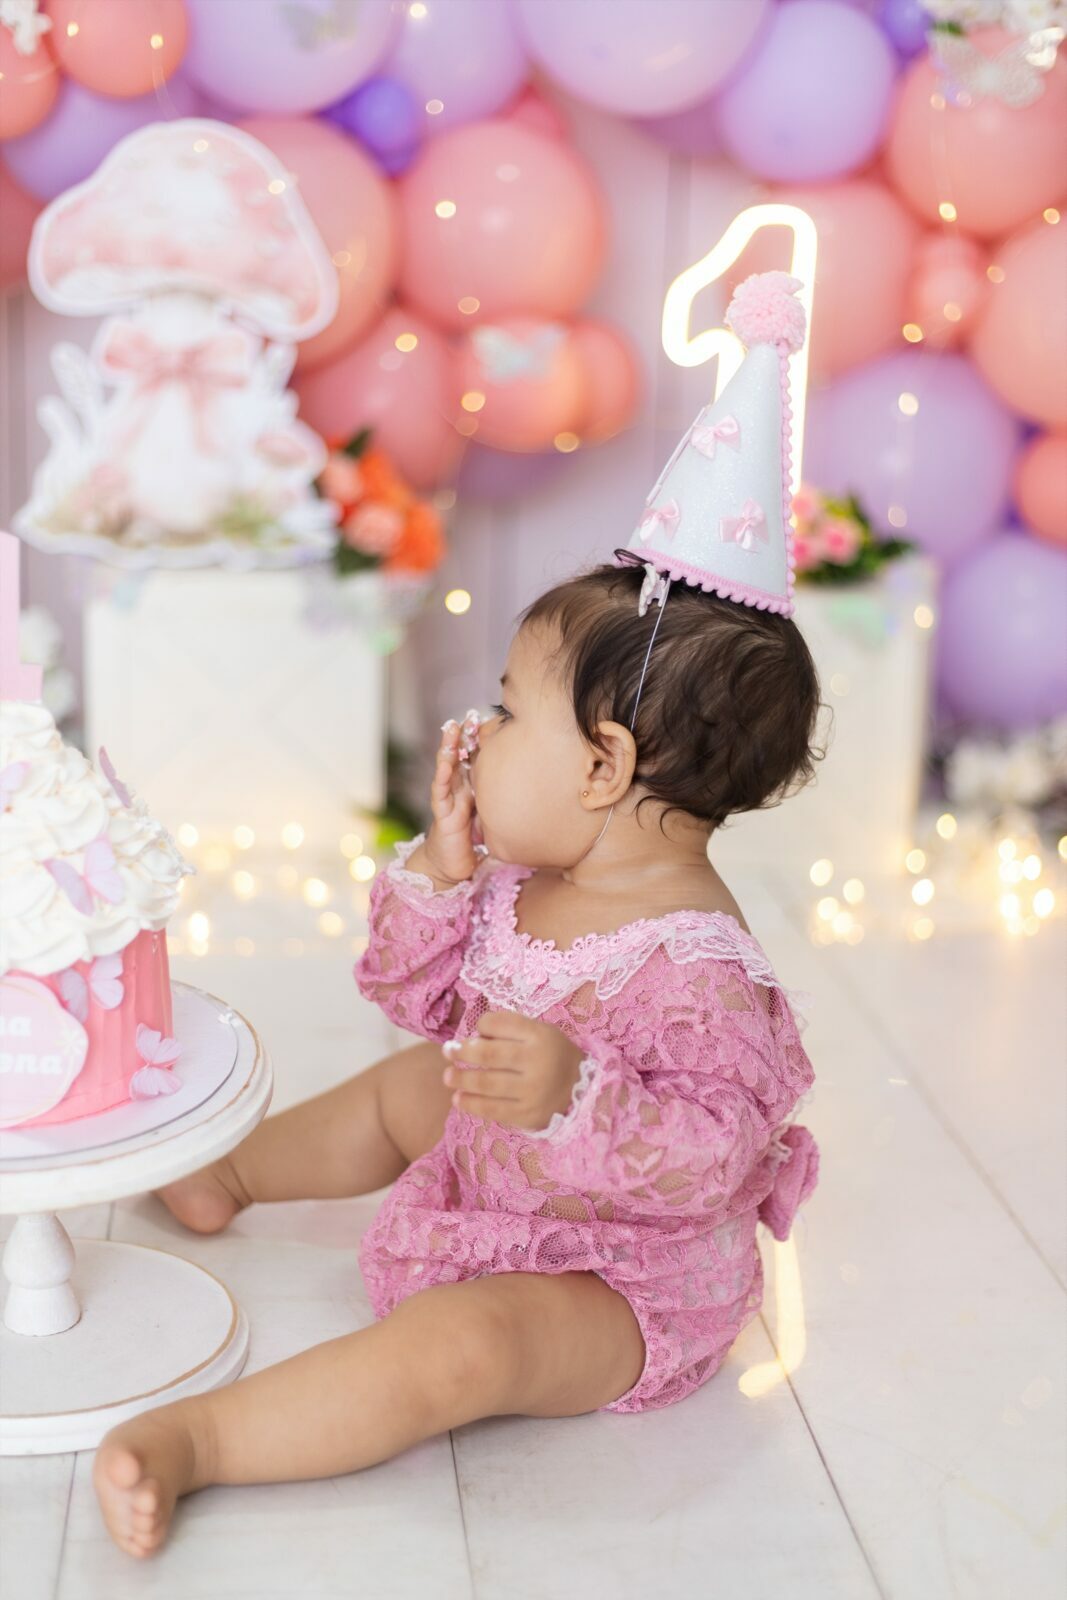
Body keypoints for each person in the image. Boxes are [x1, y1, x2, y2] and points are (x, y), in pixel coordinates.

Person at [91, 272, 825, 1559]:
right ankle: (229, 1171)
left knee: (465, 1344)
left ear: (601, 767)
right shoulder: (532, 884)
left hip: (617, 1274)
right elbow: (412, 996)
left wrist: (575, 1093)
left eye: (507, 708)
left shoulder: (701, 974)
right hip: (506, 1172)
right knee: (410, 1082)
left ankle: (199, 1440)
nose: (479, 730)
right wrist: (438, 869)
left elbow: (711, 1157)